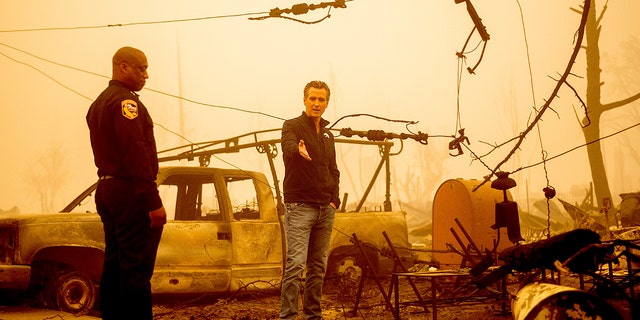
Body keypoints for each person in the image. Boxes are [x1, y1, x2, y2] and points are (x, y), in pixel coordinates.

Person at [86, 46, 166, 320]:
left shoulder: (97, 103)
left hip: (106, 189)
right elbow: (135, 154)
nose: (146, 75)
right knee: (136, 268)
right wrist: (153, 201)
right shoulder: (125, 104)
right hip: (128, 191)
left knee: (114, 264)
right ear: (123, 67)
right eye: (141, 68)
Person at [280, 80, 341, 320]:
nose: (317, 103)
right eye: (312, 98)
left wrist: (334, 200)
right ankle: (288, 316)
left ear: (327, 103)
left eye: (321, 99)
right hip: (300, 207)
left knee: (318, 267)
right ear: (304, 100)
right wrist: (297, 150)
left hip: (325, 209)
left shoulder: (327, 135)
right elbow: (287, 145)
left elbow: (333, 169)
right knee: (295, 265)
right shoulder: (292, 126)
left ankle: (313, 315)